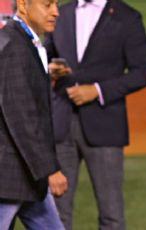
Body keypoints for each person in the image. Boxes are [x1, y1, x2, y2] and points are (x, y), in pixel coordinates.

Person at [44, 0, 146, 229]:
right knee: (55, 214)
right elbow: (48, 55)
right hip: (61, 124)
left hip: (105, 125)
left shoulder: (127, 17)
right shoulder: (61, 12)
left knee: (111, 215)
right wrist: (51, 69)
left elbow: (143, 72)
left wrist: (97, 90)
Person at [0, 0, 68, 229]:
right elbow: (22, 117)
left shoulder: (24, 41)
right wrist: (49, 168)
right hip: (9, 176)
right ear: (22, 5)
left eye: (56, 4)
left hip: (26, 177)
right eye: (47, 4)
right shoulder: (12, 45)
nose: (55, 12)